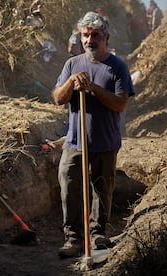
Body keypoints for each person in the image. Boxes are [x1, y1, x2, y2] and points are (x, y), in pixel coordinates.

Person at [52, 11, 135, 258]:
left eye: (95, 36)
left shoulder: (117, 67)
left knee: (102, 189)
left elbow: (120, 104)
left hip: (105, 142)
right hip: (75, 141)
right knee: (69, 186)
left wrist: (94, 88)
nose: (89, 40)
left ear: (106, 37)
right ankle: (74, 238)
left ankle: (98, 233)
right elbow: (58, 98)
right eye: (85, 35)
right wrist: (72, 83)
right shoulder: (72, 64)